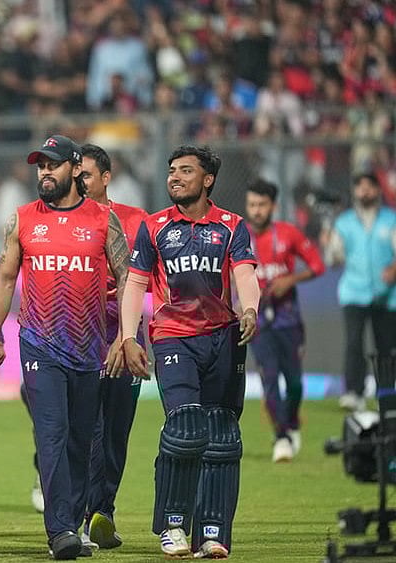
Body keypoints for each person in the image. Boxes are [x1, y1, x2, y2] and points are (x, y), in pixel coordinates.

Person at [0, 135, 130, 561]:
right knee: (52, 434)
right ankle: (59, 529)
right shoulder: (23, 219)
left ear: (75, 169)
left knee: (82, 438)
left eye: (53, 165)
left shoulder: (104, 220)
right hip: (39, 344)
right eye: (40, 166)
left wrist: (125, 335)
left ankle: (73, 522)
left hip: (88, 348)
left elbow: (127, 278)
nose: (44, 172)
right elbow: (5, 279)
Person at [120, 145, 260, 559]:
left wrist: (250, 309)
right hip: (173, 337)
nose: (175, 177)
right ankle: (173, 525)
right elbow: (136, 283)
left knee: (222, 437)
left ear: (207, 179)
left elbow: (245, 274)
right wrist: (129, 337)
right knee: (184, 429)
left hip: (223, 337)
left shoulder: (232, 226)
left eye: (185, 170)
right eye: (171, 171)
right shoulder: (154, 226)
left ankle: (212, 533)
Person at [78, 143, 148, 550]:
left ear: (106, 177)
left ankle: (103, 512)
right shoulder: (61, 221)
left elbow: (150, 280)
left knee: (117, 432)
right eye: (76, 175)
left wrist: (127, 336)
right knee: (88, 429)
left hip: (125, 335)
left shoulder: (137, 221)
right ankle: (84, 515)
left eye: (86, 175)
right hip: (80, 338)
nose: (80, 182)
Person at [244, 178, 325, 462]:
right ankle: (281, 436)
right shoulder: (238, 236)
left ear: (273, 206)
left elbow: (317, 265)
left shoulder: (288, 233)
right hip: (257, 320)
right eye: (252, 204)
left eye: (262, 205)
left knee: (295, 382)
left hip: (288, 317)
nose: (256, 210)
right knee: (269, 378)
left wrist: (290, 279)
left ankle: (291, 423)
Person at [321, 173, 396, 411]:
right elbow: (333, 260)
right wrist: (328, 244)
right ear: (354, 192)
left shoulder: (391, 219)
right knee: (354, 343)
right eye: (360, 187)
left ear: (378, 190)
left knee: (386, 347)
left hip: (387, 294)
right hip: (354, 291)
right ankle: (354, 392)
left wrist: (394, 268)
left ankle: (387, 393)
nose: (364, 191)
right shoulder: (344, 223)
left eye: (369, 186)